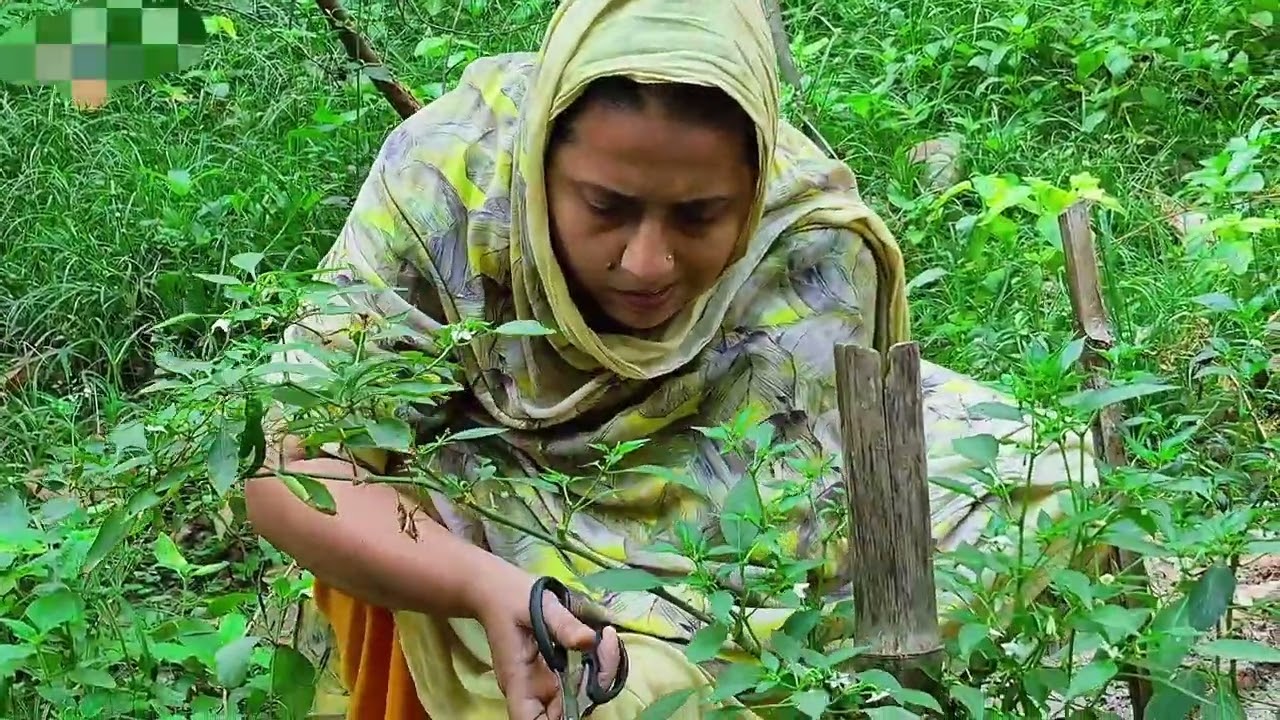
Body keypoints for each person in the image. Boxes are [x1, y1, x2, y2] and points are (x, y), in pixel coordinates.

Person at [245, 1, 1093, 718]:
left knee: (1056, 478)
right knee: (630, 692)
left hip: (731, 517)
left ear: (756, 184)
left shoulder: (811, 247)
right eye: (606, 207)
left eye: (699, 218)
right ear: (541, 160)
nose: (647, 264)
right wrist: (484, 588)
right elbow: (288, 467)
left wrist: (876, 673)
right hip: (493, 487)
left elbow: (865, 513)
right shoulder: (450, 183)